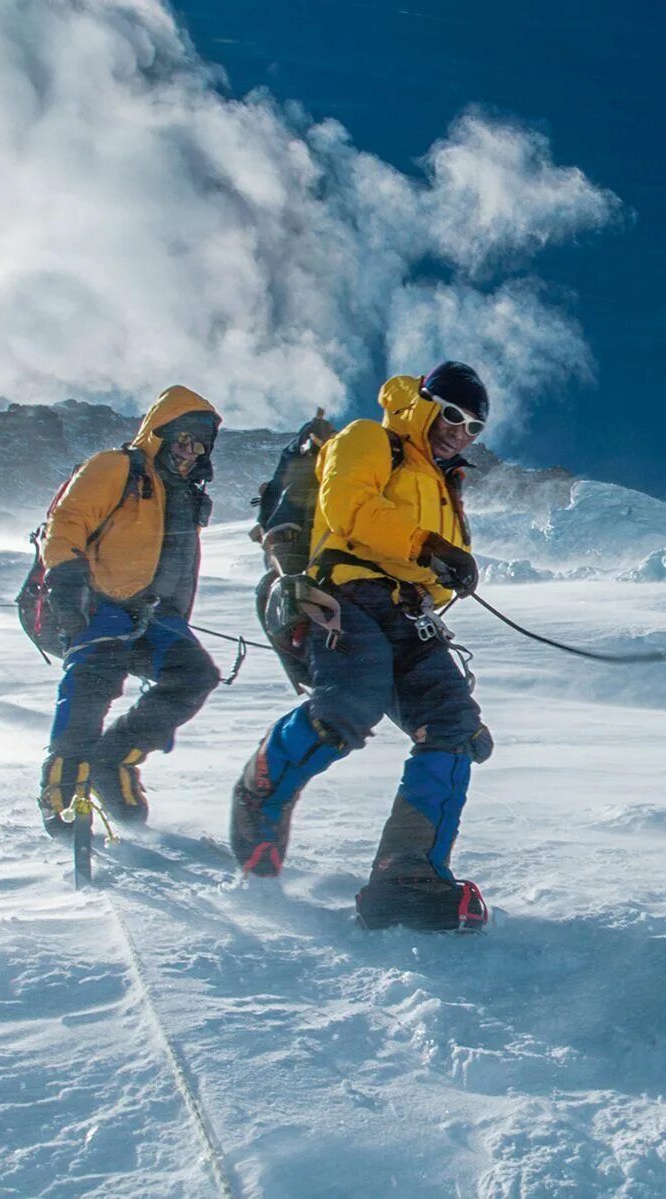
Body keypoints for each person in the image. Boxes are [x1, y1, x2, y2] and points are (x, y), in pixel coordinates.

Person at [230, 362, 493, 931]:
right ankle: (261, 793)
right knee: (349, 703)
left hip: (409, 612)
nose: (459, 431)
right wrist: (427, 544)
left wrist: (446, 570)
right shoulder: (369, 439)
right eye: (451, 415)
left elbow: (431, 566)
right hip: (345, 593)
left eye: (473, 427)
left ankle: (407, 873)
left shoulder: (444, 485)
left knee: (455, 727)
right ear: (423, 404)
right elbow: (348, 505)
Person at [36, 386, 223, 835]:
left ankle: (113, 760)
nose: (190, 451)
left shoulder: (185, 495)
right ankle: (62, 789)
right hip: (101, 601)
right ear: (160, 432)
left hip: (157, 617)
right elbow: (67, 521)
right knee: (93, 684)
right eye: (182, 438)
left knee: (194, 676)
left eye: (200, 444)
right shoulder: (117, 467)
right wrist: (65, 579)